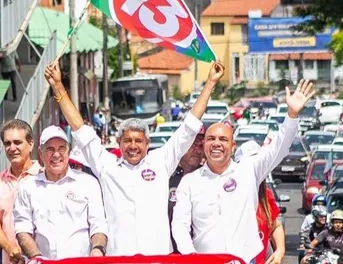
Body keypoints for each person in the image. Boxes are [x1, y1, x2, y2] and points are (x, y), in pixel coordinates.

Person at [44, 60, 225, 256]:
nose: (133, 146)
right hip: (119, 258)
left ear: (147, 143)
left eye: (138, 141)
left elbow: (189, 127)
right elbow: (80, 128)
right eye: (127, 140)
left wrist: (210, 83)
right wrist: (57, 85)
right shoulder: (107, 165)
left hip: (158, 258)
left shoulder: (161, 161)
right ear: (119, 142)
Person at [172, 79, 315, 263]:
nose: (216, 143)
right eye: (211, 139)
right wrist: (190, 256)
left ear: (233, 146)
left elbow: (279, 147)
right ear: (204, 145)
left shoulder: (249, 170)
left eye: (223, 139)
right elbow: (179, 224)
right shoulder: (189, 182)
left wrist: (292, 115)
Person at [13, 126, 108, 260]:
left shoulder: (89, 183)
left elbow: (98, 225)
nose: (56, 154)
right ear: (40, 153)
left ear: (68, 151)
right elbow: (22, 229)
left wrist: (98, 249)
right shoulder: (27, 187)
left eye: (61, 148)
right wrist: (37, 258)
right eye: (50, 149)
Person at [235, 141, 285, 264]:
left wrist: (280, 249)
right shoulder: (228, 193)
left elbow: (275, 226)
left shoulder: (265, 195)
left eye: (259, 164)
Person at [0, 119, 42, 264]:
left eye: (17, 142)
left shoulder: (45, 178)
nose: (12, 148)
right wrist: (9, 247)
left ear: (31, 145)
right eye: (7, 143)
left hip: (44, 260)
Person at [168, 126, 205, 253]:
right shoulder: (166, 176)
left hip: (199, 253)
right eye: (193, 145)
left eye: (201, 146)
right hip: (168, 252)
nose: (197, 150)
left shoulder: (208, 177)